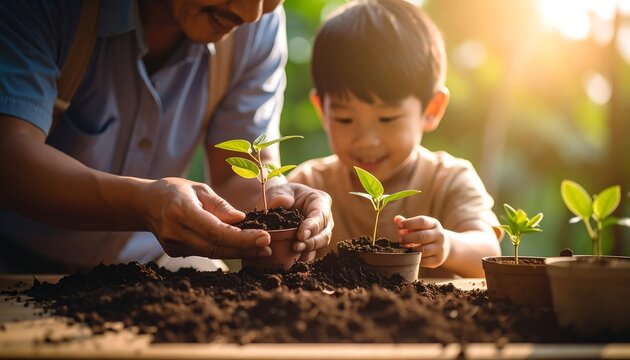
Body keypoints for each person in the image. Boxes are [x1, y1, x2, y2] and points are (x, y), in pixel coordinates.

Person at [0, 0, 332, 273]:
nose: (252, 13)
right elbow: (9, 155)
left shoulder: (255, 29)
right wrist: (143, 203)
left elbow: (236, 178)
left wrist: (279, 197)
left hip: (150, 264)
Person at [287, 0, 501, 278]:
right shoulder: (309, 186)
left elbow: (489, 252)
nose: (366, 140)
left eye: (387, 118)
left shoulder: (448, 180)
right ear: (322, 111)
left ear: (431, 109)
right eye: (344, 119)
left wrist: (448, 245)